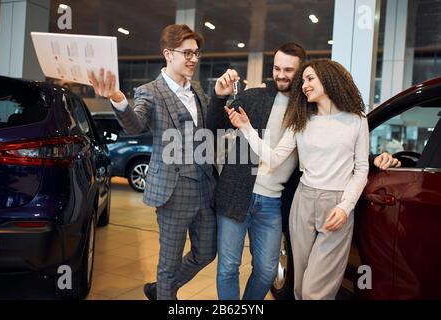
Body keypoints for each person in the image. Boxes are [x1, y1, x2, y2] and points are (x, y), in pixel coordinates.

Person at [207, 45, 400, 300]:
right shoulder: (264, 101)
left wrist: (377, 160)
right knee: (232, 267)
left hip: (277, 201)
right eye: (277, 68)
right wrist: (221, 99)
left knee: (268, 271)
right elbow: (214, 128)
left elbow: (340, 151)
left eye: (290, 70)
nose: (281, 75)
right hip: (242, 194)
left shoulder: (324, 113)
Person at [88, 24, 234, 300]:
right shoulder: (150, 92)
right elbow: (135, 123)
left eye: (196, 53)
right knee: (168, 264)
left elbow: (209, 129)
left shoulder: (197, 91)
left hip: (205, 187)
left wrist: (222, 97)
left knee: (206, 252)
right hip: (173, 191)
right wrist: (118, 99)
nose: (193, 59)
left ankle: (159, 290)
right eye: (186, 53)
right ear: (168, 54)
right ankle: (165, 293)